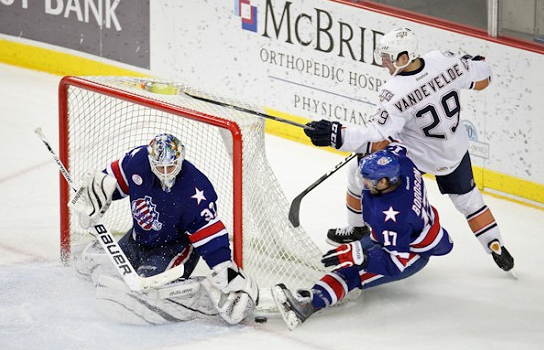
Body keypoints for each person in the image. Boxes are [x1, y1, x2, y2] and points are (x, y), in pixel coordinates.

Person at [303, 27, 514, 272]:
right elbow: (483, 79)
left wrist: (336, 135)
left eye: (388, 57)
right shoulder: (444, 60)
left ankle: (358, 228)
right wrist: (471, 63)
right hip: (454, 151)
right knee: (469, 201)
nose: (384, 63)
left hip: (414, 157)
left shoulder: (394, 92)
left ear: (404, 57)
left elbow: (374, 138)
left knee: (357, 171)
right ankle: (494, 243)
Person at [70, 133, 258, 325]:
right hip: (138, 239)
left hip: (173, 249)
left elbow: (209, 233)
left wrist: (224, 269)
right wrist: (94, 196)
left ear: (181, 158)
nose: (166, 172)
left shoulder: (195, 188)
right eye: (161, 166)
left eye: (171, 165)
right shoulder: (138, 161)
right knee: (100, 270)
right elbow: (111, 181)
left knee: (146, 288)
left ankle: (205, 294)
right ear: (151, 161)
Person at [273, 143, 453, 330]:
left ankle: (307, 306)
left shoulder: (392, 216)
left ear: (384, 182)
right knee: (347, 260)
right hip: (407, 233)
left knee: (351, 271)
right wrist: (364, 143)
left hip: (410, 253)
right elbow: (395, 145)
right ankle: (317, 292)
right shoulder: (402, 163)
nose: (364, 182)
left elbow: (396, 263)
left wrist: (362, 257)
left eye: (369, 179)